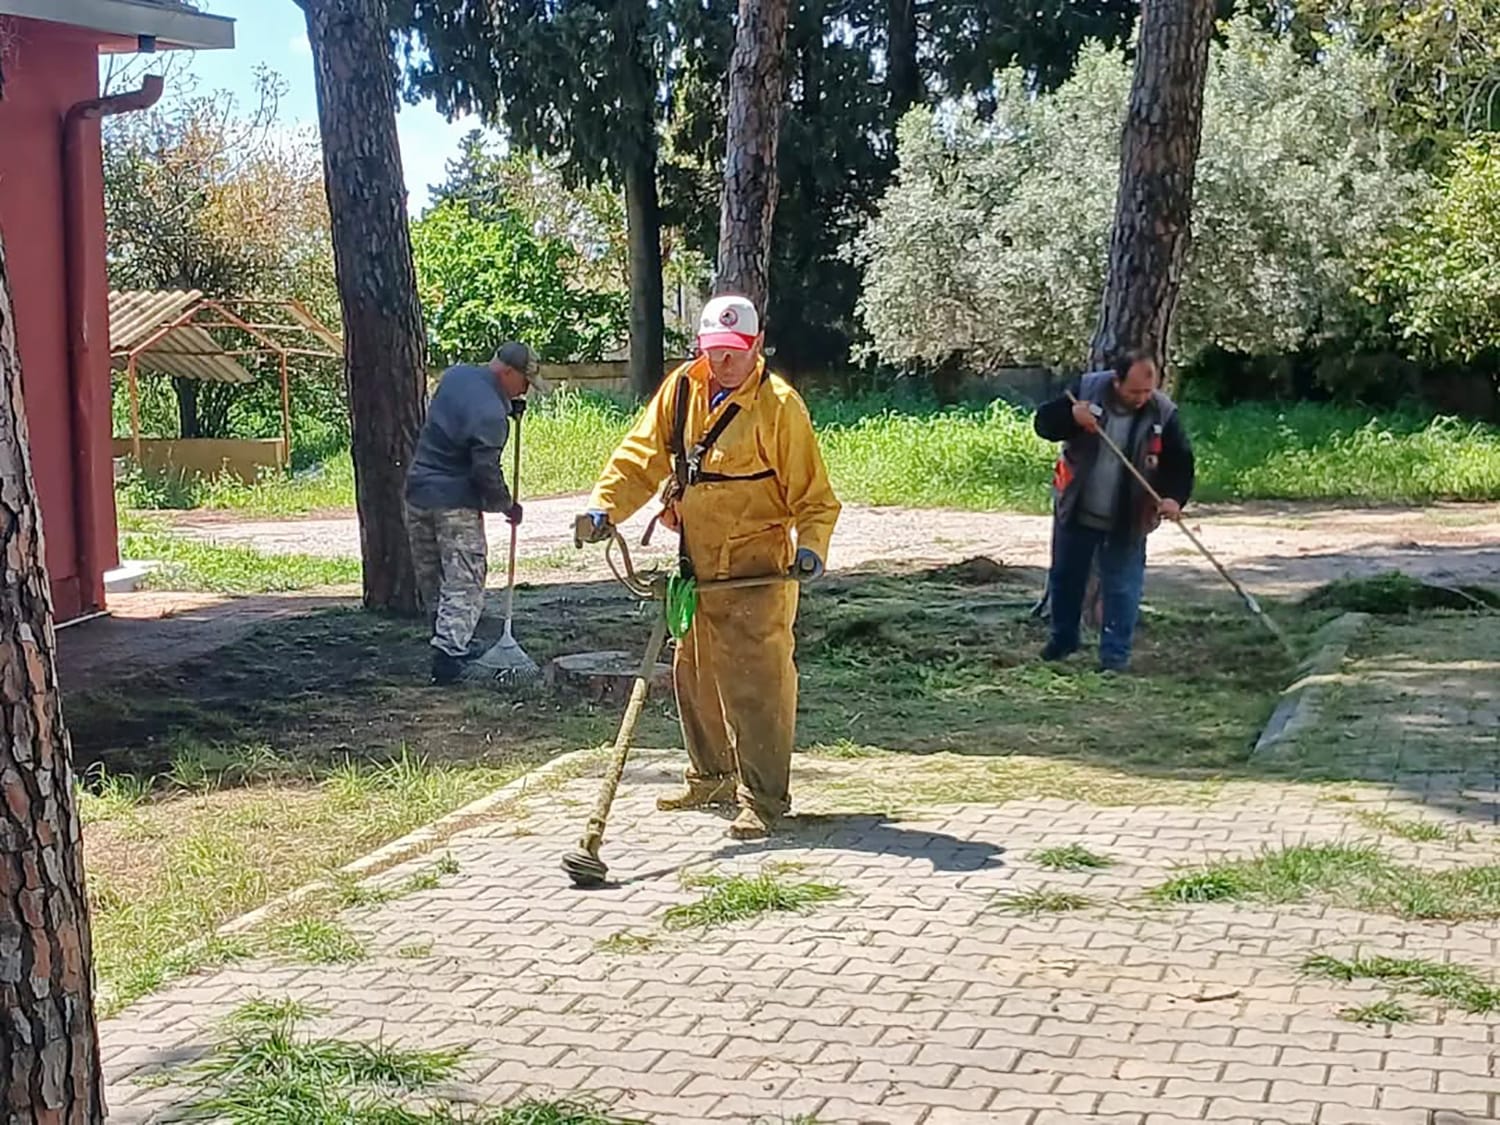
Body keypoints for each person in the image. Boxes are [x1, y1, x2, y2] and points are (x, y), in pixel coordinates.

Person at [574, 294, 841, 840]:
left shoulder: (779, 406)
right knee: (692, 673)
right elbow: (638, 457)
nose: (721, 362)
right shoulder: (681, 390)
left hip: (758, 568)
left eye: (733, 352)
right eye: (713, 350)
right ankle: (712, 777)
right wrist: (604, 508)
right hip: (696, 562)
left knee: (758, 682)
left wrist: (812, 547)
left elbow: (815, 498)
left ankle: (763, 800)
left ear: (756, 347)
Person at [1033, 350, 1195, 672]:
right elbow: (1044, 424)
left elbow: (1180, 462)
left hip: (1129, 516)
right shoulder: (1086, 390)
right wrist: (1072, 418)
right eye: (1134, 391)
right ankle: (1063, 642)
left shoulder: (1162, 412)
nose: (1142, 398)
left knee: (1122, 587)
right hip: (1077, 507)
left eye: (1147, 391)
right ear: (1116, 380)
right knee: (1066, 579)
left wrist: (1173, 498)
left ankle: (1115, 658)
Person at [405, 342, 547, 685]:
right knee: (465, 576)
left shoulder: (455, 376)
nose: (525, 390)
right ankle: (450, 655)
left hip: (417, 492)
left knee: (433, 574)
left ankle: (444, 640)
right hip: (454, 502)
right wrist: (506, 505)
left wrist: (503, 404)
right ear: (508, 373)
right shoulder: (492, 415)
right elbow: (484, 470)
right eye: (525, 382)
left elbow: (455, 419)